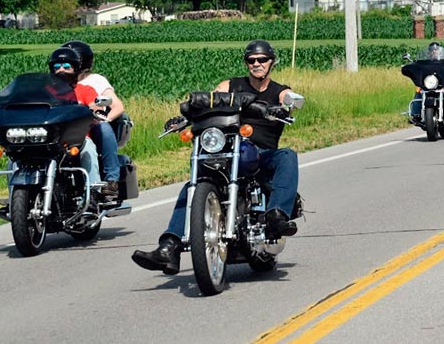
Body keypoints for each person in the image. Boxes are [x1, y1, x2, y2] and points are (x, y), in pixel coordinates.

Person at [132, 39, 299, 275]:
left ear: (271, 62)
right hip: (227, 148)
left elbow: (288, 99)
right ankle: (168, 247)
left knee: (288, 156)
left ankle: (276, 216)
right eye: (251, 60)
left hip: (260, 153)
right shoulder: (231, 85)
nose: (257, 64)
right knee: (194, 182)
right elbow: (210, 102)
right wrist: (184, 117)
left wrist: (284, 107)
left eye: (262, 60)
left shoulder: (278, 91)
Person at [47, 45, 121, 200]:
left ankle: (94, 192)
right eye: (57, 66)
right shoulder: (45, 91)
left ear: (75, 68)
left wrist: (97, 110)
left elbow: (106, 105)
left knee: (89, 146)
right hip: (50, 139)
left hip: (78, 136)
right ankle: (18, 195)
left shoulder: (86, 88)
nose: (61, 70)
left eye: (66, 66)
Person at [408, 42, 444, 120]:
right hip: (428, 84)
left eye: (436, 50)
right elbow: (416, 64)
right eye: (432, 50)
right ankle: (415, 114)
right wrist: (410, 64)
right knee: (418, 92)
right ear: (429, 52)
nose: (434, 51)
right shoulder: (424, 60)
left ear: (439, 51)